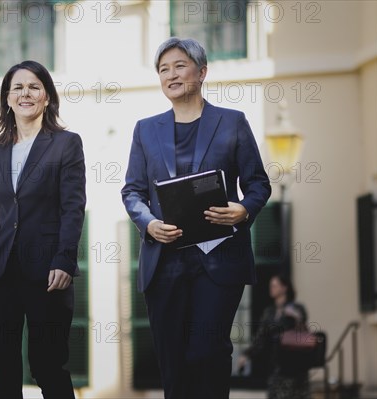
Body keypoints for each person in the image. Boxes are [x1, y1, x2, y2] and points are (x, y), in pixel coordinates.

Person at [121, 37, 271, 398]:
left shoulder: (232, 122)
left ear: (202, 72)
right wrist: (148, 223)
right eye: (163, 69)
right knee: (173, 363)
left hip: (218, 259)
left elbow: (257, 183)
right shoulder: (145, 129)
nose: (170, 74)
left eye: (179, 65)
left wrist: (244, 209)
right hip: (165, 261)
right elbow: (132, 192)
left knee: (207, 352)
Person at [0, 60, 86, 399]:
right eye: (17, 87)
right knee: (2, 371)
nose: (25, 93)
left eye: (34, 87)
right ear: (6, 98)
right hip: (0, 273)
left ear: (47, 97)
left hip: (48, 272)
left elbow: (72, 208)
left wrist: (64, 259)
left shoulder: (66, 143)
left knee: (47, 365)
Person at [237, 274, 310, 399]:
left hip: (296, 368)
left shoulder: (297, 308)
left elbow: (303, 330)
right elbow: (260, 338)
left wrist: (296, 317)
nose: (271, 288)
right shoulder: (269, 312)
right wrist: (247, 354)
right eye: (271, 285)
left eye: (274, 285)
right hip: (277, 367)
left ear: (284, 288)